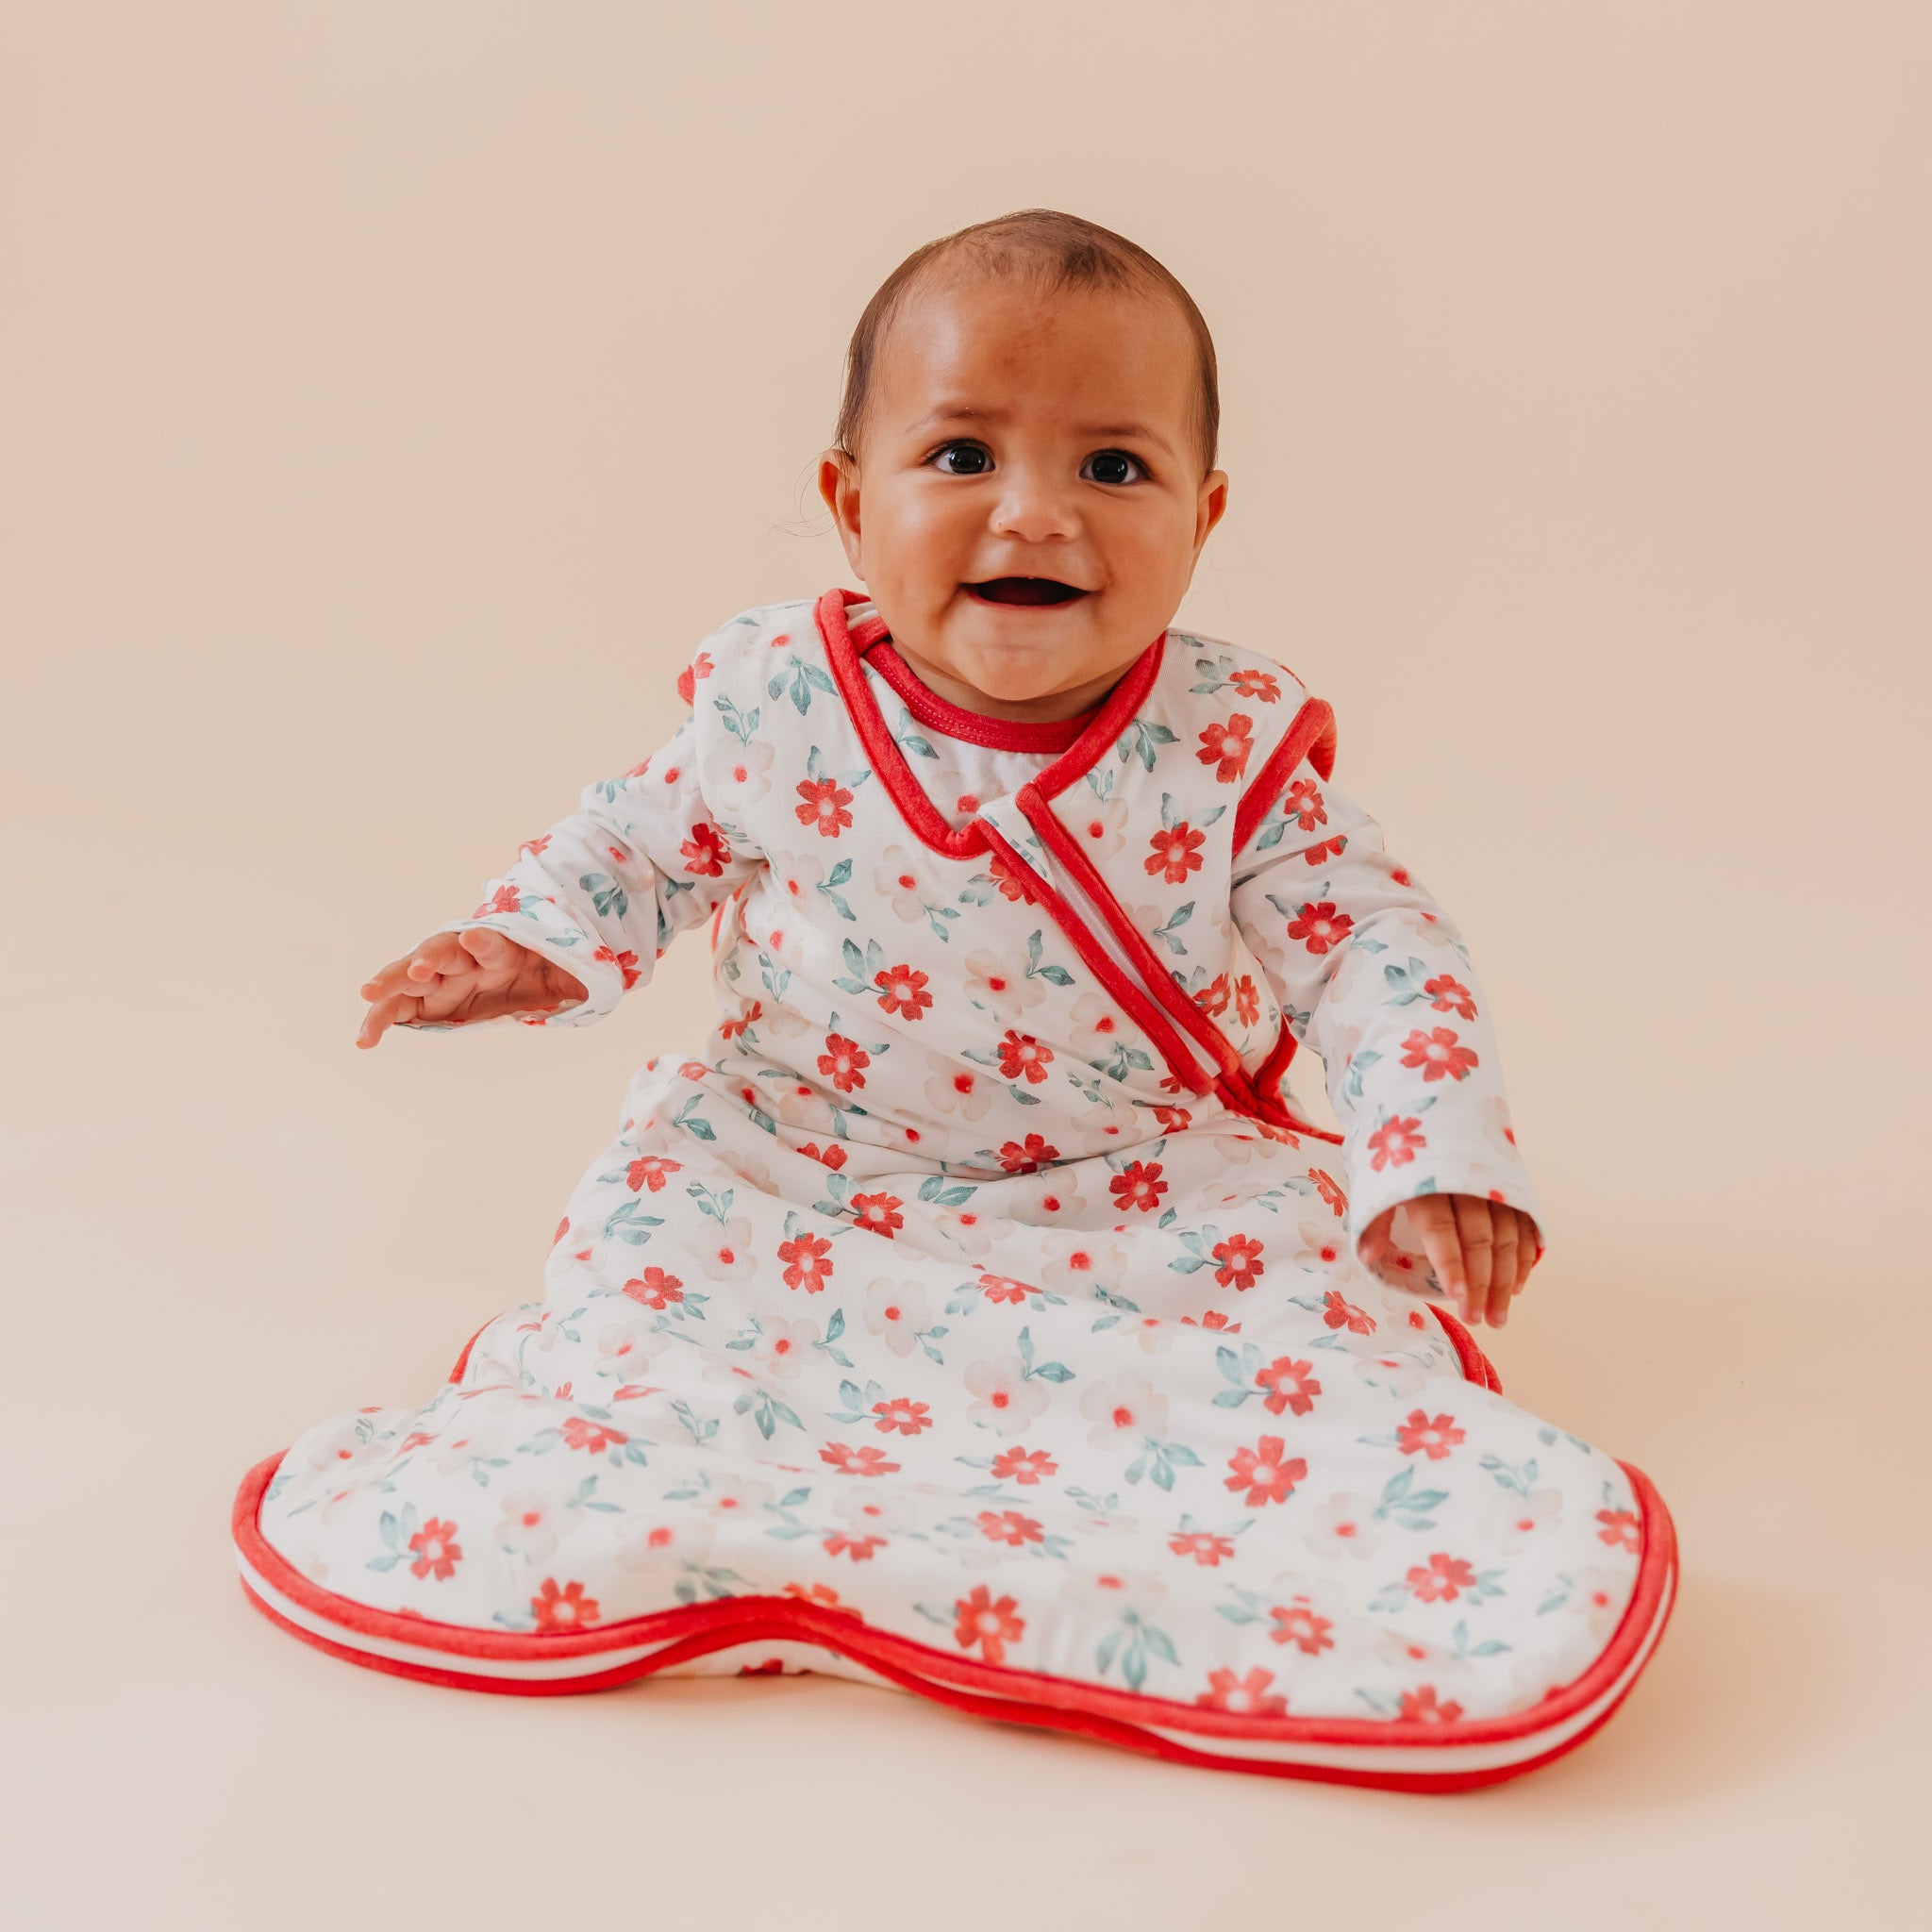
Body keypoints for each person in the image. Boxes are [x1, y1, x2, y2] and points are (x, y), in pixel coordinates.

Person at [233, 210, 1674, 1789]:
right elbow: (637, 845)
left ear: (1203, 518)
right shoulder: (780, 700)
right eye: (963, 455)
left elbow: (1371, 948)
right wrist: (526, 943)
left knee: (1301, 1371)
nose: (1036, 512)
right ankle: (703, 1516)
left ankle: (1239, 1580)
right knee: (651, 1317)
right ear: (851, 505)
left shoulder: (1224, 743)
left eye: (1113, 467)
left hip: (1139, 1187)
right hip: (794, 1163)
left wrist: (1433, 1144)